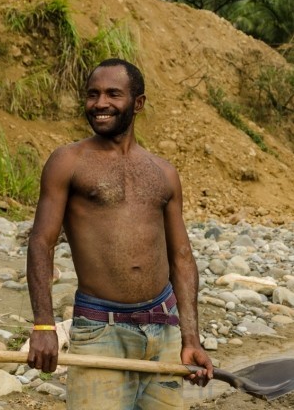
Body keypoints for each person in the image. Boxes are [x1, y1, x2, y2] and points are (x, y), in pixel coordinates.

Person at [27, 58, 213, 409]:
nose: (100, 103)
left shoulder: (163, 172)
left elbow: (182, 258)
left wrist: (191, 338)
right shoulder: (68, 161)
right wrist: (43, 327)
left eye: (113, 94)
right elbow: (41, 243)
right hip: (100, 330)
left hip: (164, 330)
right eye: (92, 94)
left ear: (138, 103)